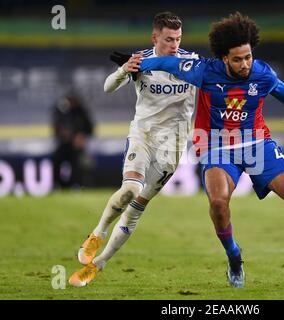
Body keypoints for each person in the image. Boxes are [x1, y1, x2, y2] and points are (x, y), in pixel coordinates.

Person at [136, 12, 284, 288]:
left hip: (257, 143)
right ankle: (234, 255)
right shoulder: (204, 71)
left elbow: (277, 86)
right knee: (219, 202)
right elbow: (166, 61)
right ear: (223, 58)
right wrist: (135, 63)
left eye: (248, 57)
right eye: (237, 59)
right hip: (216, 145)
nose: (245, 64)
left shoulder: (261, 72)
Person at [69, 12, 198, 287]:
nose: (174, 45)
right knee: (130, 189)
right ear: (155, 37)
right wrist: (123, 71)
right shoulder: (140, 60)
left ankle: (99, 263)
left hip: (173, 146)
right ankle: (97, 232)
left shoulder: (192, 63)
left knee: (137, 208)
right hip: (143, 136)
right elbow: (106, 88)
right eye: (168, 39)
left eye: (178, 39)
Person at [51, 93, 94, 189]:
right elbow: (56, 128)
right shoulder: (61, 111)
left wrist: (81, 136)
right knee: (56, 160)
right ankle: (59, 185)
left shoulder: (81, 112)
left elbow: (90, 128)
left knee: (78, 163)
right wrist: (62, 133)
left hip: (76, 146)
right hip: (64, 144)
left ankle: (77, 185)